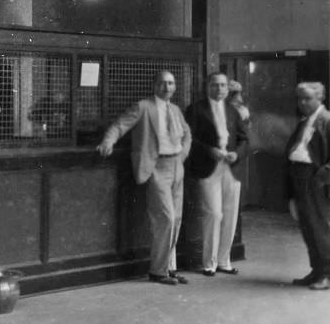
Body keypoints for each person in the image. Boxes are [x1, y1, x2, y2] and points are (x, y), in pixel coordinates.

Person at [97, 70, 192, 285]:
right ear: (154, 85)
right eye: (162, 83)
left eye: (170, 83)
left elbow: (187, 134)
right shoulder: (143, 107)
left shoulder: (176, 110)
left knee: (176, 220)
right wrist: (108, 142)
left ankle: (168, 268)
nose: (167, 87)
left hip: (177, 165)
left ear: (175, 87)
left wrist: (183, 154)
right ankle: (158, 271)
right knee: (165, 218)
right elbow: (120, 125)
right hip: (156, 167)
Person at [185, 72, 249, 276]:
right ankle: (209, 263)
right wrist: (209, 151)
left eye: (222, 86)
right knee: (213, 214)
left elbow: (244, 139)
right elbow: (190, 139)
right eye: (214, 85)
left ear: (228, 89)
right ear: (207, 86)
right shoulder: (195, 110)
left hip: (231, 167)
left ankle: (224, 261)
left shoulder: (233, 111)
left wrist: (236, 154)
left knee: (230, 214)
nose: (219, 89)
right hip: (208, 167)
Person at [286, 81, 330, 290]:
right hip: (300, 176)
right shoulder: (306, 121)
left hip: (315, 178)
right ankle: (317, 270)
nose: (302, 102)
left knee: (322, 228)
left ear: (320, 98)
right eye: (299, 98)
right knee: (308, 227)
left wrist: (322, 176)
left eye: (307, 98)